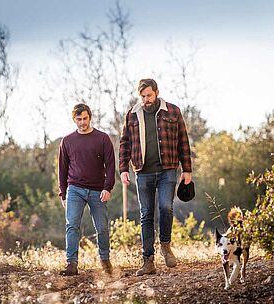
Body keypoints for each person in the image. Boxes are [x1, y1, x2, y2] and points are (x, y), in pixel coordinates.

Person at [119, 78, 192, 276]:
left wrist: (187, 169)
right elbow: (124, 142)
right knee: (146, 215)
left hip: (168, 169)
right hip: (142, 172)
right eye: (142, 96)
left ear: (157, 92)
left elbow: (183, 140)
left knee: (166, 207)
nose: (146, 100)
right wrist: (123, 169)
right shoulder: (132, 115)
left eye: (149, 95)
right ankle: (148, 261)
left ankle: (166, 247)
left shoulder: (173, 111)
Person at [58, 103, 115, 276]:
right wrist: (63, 193)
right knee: (72, 225)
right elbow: (62, 168)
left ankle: (105, 261)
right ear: (74, 120)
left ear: (90, 117)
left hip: (98, 190)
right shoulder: (67, 141)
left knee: (102, 227)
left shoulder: (102, 138)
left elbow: (111, 165)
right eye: (79, 119)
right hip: (75, 189)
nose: (82, 122)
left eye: (85, 118)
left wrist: (108, 187)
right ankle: (71, 264)